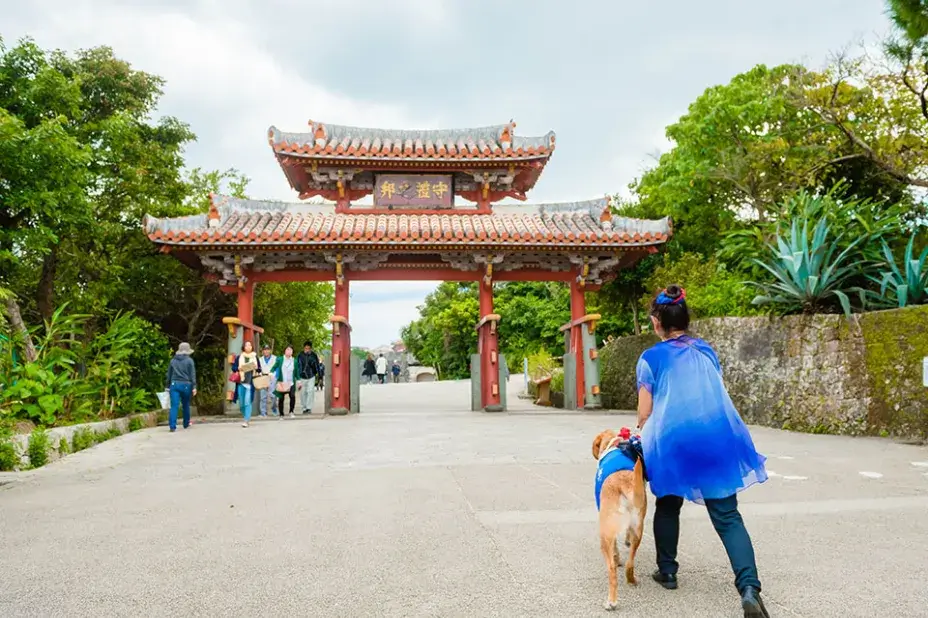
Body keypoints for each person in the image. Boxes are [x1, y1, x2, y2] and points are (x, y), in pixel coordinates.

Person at [636, 285, 770, 618]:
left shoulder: (651, 357)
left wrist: (641, 436)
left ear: (656, 322)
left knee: (667, 502)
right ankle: (749, 588)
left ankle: (667, 571)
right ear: (685, 318)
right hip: (716, 434)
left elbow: (644, 413)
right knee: (727, 516)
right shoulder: (707, 350)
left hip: (673, 439)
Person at [165, 342, 197, 432]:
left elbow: (169, 375)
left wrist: (167, 386)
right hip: (186, 385)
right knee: (185, 404)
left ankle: (172, 426)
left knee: (174, 406)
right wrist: (194, 386)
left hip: (174, 384)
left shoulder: (173, 361)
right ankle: (186, 423)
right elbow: (192, 375)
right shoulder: (189, 361)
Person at [235, 340, 258, 428]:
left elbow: (259, 368)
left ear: (252, 347)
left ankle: (246, 420)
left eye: (250, 345)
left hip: (250, 382)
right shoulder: (239, 357)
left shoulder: (255, 357)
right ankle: (245, 416)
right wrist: (239, 368)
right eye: (246, 345)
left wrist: (256, 368)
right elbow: (234, 368)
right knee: (241, 403)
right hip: (241, 382)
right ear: (243, 347)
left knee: (247, 401)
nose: (248, 347)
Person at [296, 341, 320, 414]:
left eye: (308, 348)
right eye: (305, 348)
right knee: (303, 393)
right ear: (304, 348)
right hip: (302, 376)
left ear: (310, 348)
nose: (307, 350)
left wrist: (319, 374)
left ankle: (309, 407)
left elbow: (317, 365)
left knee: (310, 391)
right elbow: (297, 366)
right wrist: (297, 376)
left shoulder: (314, 355)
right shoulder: (300, 355)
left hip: (311, 375)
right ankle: (304, 407)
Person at [275, 345, 298, 418]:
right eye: (287, 349)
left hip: (291, 382)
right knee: (281, 398)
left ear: (292, 352)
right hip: (282, 382)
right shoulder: (280, 359)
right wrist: (271, 373)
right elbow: (274, 367)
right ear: (284, 351)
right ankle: (281, 414)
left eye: (291, 350)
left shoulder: (294, 361)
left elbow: (297, 372)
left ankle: (291, 411)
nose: (289, 351)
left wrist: (299, 380)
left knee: (292, 396)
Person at [258, 343, 279, 417]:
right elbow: (258, 369)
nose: (266, 351)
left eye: (267, 350)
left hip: (272, 377)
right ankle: (263, 412)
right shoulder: (260, 359)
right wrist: (259, 374)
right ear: (263, 351)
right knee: (263, 396)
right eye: (264, 350)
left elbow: (278, 368)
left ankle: (274, 409)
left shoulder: (275, 358)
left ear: (270, 350)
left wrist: (275, 376)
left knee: (273, 395)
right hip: (263, 377)